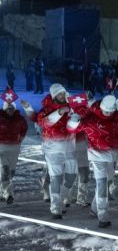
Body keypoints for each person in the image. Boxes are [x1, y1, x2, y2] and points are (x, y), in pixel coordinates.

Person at [67, 95, 118, 227]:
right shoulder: (91, 119)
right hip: (96, 155)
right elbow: (71, 129)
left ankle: (94, 208)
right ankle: (102, 215)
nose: (108, 114)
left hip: (111, 156)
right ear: (102, 108)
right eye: (106, 111)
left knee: (106, 183)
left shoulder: (117, 118)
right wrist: (73, 121)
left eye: (111, 111)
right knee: (102, 183)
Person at [32, 84, 75, 218]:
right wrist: (60, 112)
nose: (62, 96)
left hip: (70, 147)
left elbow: (78, 124)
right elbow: (44, 122)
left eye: (63, 93)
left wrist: (76, 116)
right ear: (54, 95)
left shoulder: (71, 108)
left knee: (71, 177)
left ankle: (61, 199)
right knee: (56, 178)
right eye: (59, 94)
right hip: (53, 148)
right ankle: (56, 208)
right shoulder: (46, 109)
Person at [0, 96, 29, 204]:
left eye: (12, 108)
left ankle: (1, 191)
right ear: (4, 109)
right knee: (5, 170)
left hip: (14, 148)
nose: (10, 111)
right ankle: (8, 194)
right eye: (8, 108)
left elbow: (24, 129)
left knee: (11, 172)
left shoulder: (20, 119)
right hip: (1, 149)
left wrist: (20, 139)